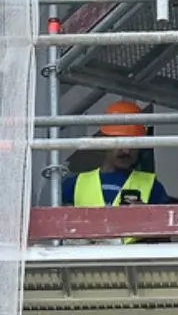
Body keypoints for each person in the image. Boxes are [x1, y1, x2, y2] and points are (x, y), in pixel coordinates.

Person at [64, 101, 171, 244]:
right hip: (87, 263)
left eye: (133, 144)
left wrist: (148, 217)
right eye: (120, 143)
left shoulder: (153, 187)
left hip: (134, 263)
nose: (126, 151)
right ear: (104, 141)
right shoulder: (73, 185)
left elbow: (166, 237)